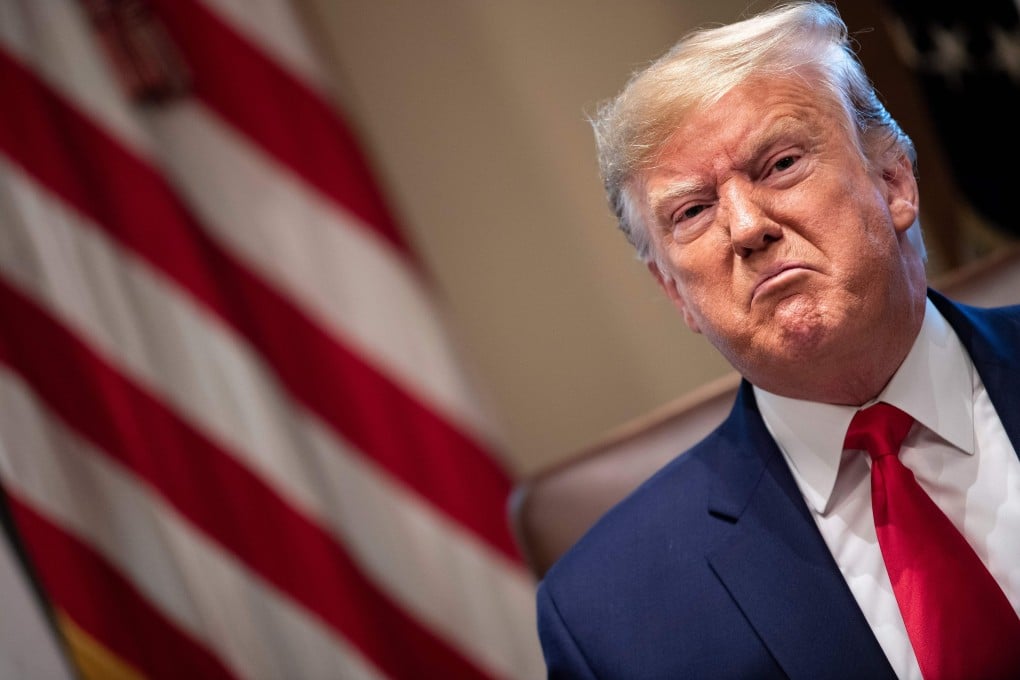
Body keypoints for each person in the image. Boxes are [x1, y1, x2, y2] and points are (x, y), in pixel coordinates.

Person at [535, 2, 1020, 679]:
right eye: (694, 211)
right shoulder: (608, 617)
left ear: (894, 180)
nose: (745, 227)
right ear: (676, 292)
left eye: (781, 163)